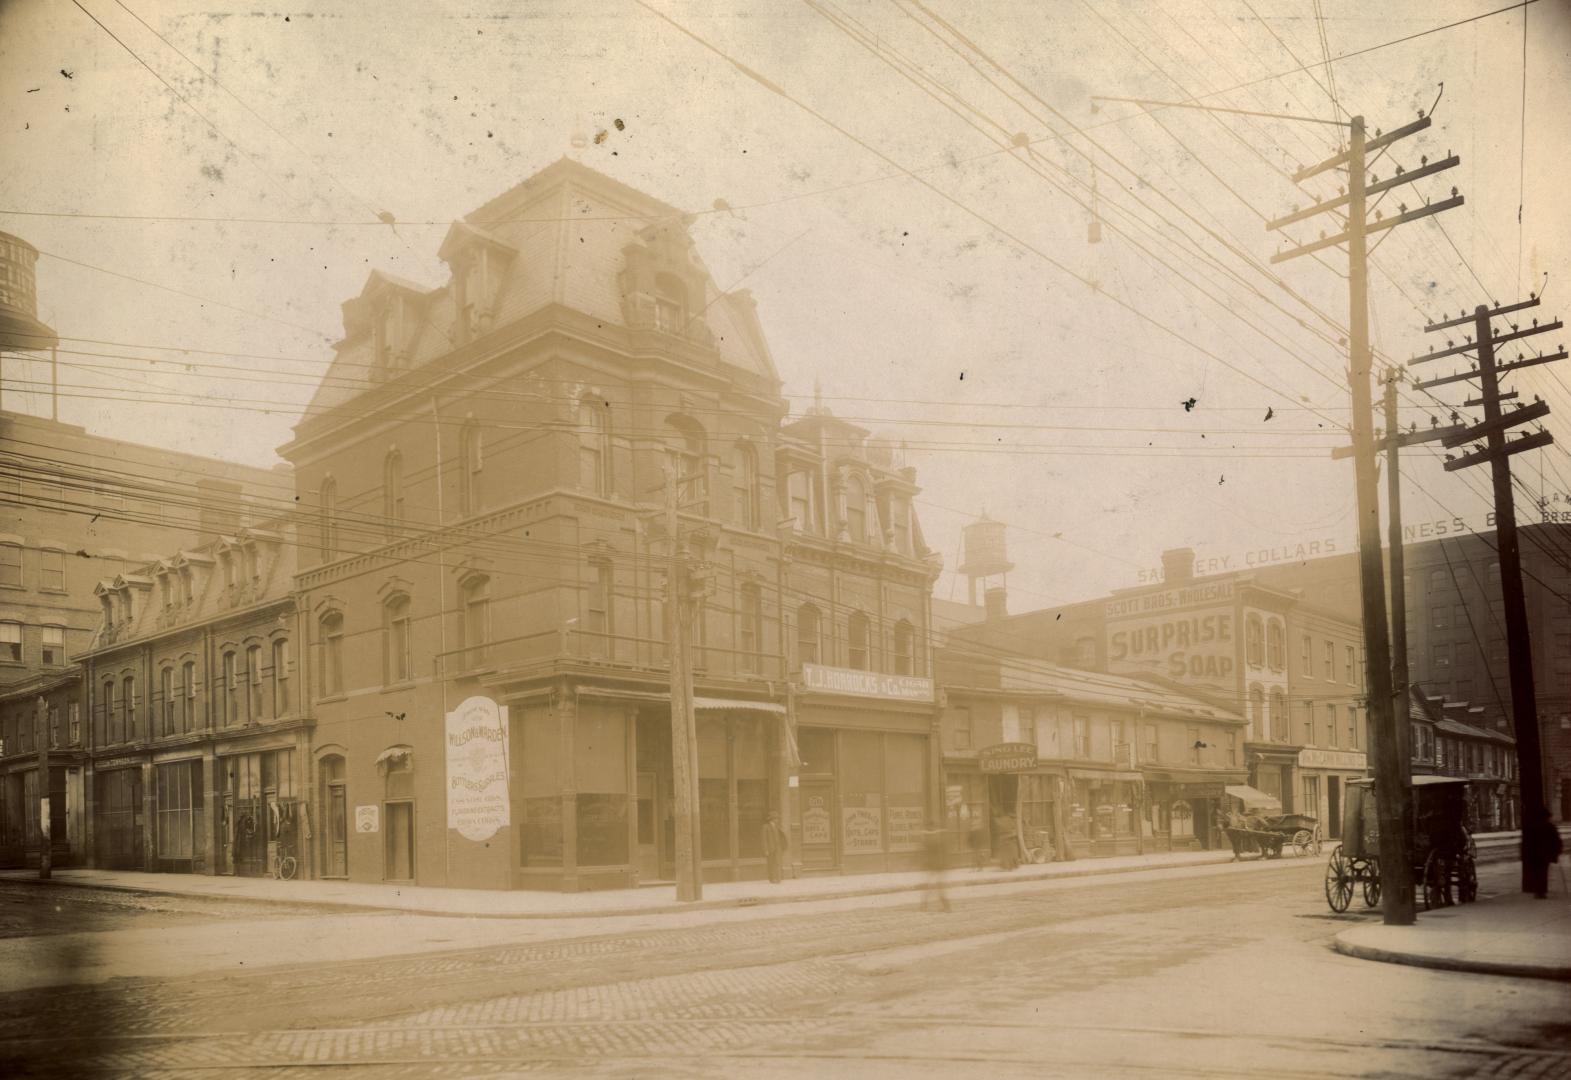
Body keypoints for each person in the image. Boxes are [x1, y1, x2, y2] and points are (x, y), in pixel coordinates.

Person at [1521, 806, 1563, 899]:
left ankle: (1537, 890)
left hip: (1533, 854)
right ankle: (1541, 891)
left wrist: (1524, 854)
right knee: (1543, 873)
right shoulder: (1550, 826)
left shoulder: (1530, 826)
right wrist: (1557, 851)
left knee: (1535, 872)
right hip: (1545, 854)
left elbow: (1525, 842)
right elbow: (1556, 840)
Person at [920, 820, 951, 912]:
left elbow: (928, 845)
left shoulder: (933, 839)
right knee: (935, 885)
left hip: (936, 865)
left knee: (934, 885)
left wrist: (925, 835)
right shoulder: (937, 837)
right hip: (937, 865)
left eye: (928, 827)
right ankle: (926, 905)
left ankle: (946, 907)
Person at [761, 810, 789, 884]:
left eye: (777, 818)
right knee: (771, 864)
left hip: (778, 848)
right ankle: (772, 878)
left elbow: (782, 836)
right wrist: (766, 850)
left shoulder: (778, 827)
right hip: (770, 849)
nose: (777, 820)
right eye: (776, 818)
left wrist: (783, 846)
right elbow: (764, 839)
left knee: (777, 863)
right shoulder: (765, 827)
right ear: (772, 819)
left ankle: (777, 878)